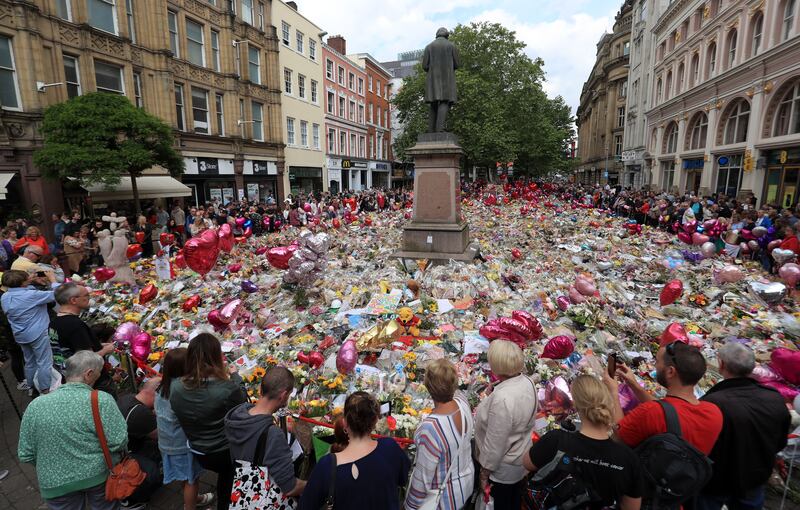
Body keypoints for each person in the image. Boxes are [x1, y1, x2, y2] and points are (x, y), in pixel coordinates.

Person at [18, 351, 128, 509]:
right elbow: (118, 441)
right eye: (99, 372)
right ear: (89, 374)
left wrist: (54, 465)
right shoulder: (100, 399)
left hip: (55, 484)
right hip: (99, 475)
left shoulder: (35, 406)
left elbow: (25, 453)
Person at [694, 343, 791, 510]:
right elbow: (780, 442)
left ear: (722, 365)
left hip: (717, 482)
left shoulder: (712, 403)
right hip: (754, 478)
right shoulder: (775, 398)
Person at [524, 375, 642, 510]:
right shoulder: (629, 459)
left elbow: (527, 463)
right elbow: (631, 507)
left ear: (576, 405)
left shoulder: (556, 440)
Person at [169, 333, 247, 510]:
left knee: (225, 478)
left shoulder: (176, 386)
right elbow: (242, 403)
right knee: (228, 480)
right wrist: (235, 377)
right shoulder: (226, 388)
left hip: (197, 448)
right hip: (223, 450)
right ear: (216, 357)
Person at [608, 341, 723, 457]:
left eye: (657, 362)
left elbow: (617, 438)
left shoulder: (650, 412)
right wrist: (633, 384)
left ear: (670, 371)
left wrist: (613, 391)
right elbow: (668, 411)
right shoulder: (714, 413)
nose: (654, 366)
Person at [299, 391, 410, 510]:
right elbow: (402, 479)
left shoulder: (327, 465)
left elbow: (305, 505)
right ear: (375, 421)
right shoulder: (390, 448)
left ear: (345, 423)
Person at [225, 366, 307, 500]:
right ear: (283, 395)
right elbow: (290, 487)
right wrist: (315, 483)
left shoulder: (237, 415)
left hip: (241, 488)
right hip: (262, 497)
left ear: (261, 389)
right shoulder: (272, 434)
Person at [474, 340, 538, 509]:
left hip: (503, 468)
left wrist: (484, 473)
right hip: (520, 455)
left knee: (501, 503)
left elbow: (495, 443)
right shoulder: (526, 381)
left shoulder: (502, 399)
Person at [405, 359, 473, 510]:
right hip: (464, 487)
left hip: (445, 499)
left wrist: (410, 506)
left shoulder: (431, 428)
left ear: (428, 387)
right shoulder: (462, 402)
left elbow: (422, 478)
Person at [155, 348, 215, 510]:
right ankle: (190, 506)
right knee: (191, 479)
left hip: (168, 443)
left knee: (185, 477)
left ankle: (194, 498)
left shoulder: (163, 387)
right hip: (182, 446)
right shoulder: (181, 390)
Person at [49, 282, 116, 395]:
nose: (89, 297)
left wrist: (98, 345)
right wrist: (106, 350)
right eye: (86, 295)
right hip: (91, 382)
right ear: (73, 300)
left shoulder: (54, 322)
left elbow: (71, 347)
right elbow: (87, 361)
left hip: (69, 376)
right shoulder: (75, 325)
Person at [0, 270, 58, 394]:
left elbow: (25, 291)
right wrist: (52, 279)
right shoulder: (31, 295)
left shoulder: (5, 296)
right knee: (44, 362)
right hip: (38, 333)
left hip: (20, 335)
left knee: (30, 362)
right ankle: (45, 390)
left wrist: (27, 281)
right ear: (22, 283)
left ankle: (32, 387)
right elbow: (58, 293)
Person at [117, 378, 164, 506]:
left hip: (117, 449)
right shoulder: (140, 414)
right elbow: (162, 436)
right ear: (156, 393)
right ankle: (132, 497)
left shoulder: (129, 398)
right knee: (163, 449)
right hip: (123, 457)